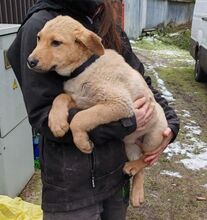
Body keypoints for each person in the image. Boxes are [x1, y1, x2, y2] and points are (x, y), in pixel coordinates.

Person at [7, 0, 180, 219]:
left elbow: (140, 81)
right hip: (72, 190)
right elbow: (42, 115)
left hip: (117, 177)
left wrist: (171, 126)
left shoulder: (104, 21)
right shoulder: (41, 23)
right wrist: (127, 123)